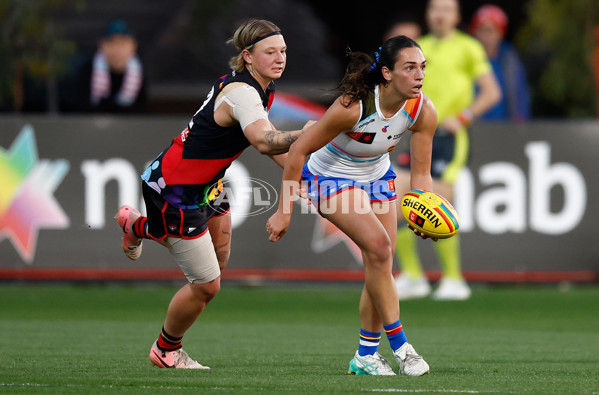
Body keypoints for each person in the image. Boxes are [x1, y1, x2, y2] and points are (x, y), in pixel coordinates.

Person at [114, 19, 308, 369]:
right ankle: (165, 349)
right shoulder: (243, 93)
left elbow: (269, 142)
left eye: (283, 51)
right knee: (207, 286)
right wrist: (310, 133)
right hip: (176, 191)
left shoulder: (262, 86)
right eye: (270, 52)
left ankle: (139, 226)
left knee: (218, 262)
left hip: (209, 185)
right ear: (247, 56)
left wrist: (304, 174)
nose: (280, 58)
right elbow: (265, 140)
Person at [266, 35, 436, 376]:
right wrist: (284, 210)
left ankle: (365, 356)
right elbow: (298, 152)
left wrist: (421, 209)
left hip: (377, 175)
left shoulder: (422, 109)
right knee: (379, 246)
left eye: (422, 68)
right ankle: (402, 347)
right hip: (328, 176)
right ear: (387, 73)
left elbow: (420, 173)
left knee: (381, 264)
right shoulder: (353, 106)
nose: (419, 75)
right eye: (409, 68)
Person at [393, 0, 502, 301]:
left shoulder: (468, 47)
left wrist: (464, 116)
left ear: (456, 16)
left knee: (436, 205)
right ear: (427, 14)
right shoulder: (418, 47)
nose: (439, 15)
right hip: (417, 134)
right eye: (434, 9)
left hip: (448, 137)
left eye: (446, 9)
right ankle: (413, 276)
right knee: (397, 201)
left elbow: (492, 92)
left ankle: (454, 279)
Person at [469, 4, 531, 121]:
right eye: (483, 29)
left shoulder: (510, 59)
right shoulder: (467, 56)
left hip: (504, 127)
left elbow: (520, 94)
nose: (487, 36)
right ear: (475, 32)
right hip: (473, 127)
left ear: (501, 33)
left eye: (492, 30)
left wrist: (520, 122)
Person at [73, 19, 147, 113]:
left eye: (122, 44)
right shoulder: (88, 70)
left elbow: (141, 110)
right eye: (111, 43)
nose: (117, 50)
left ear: (133, 46)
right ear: (101, 45)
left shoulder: (139, 73)